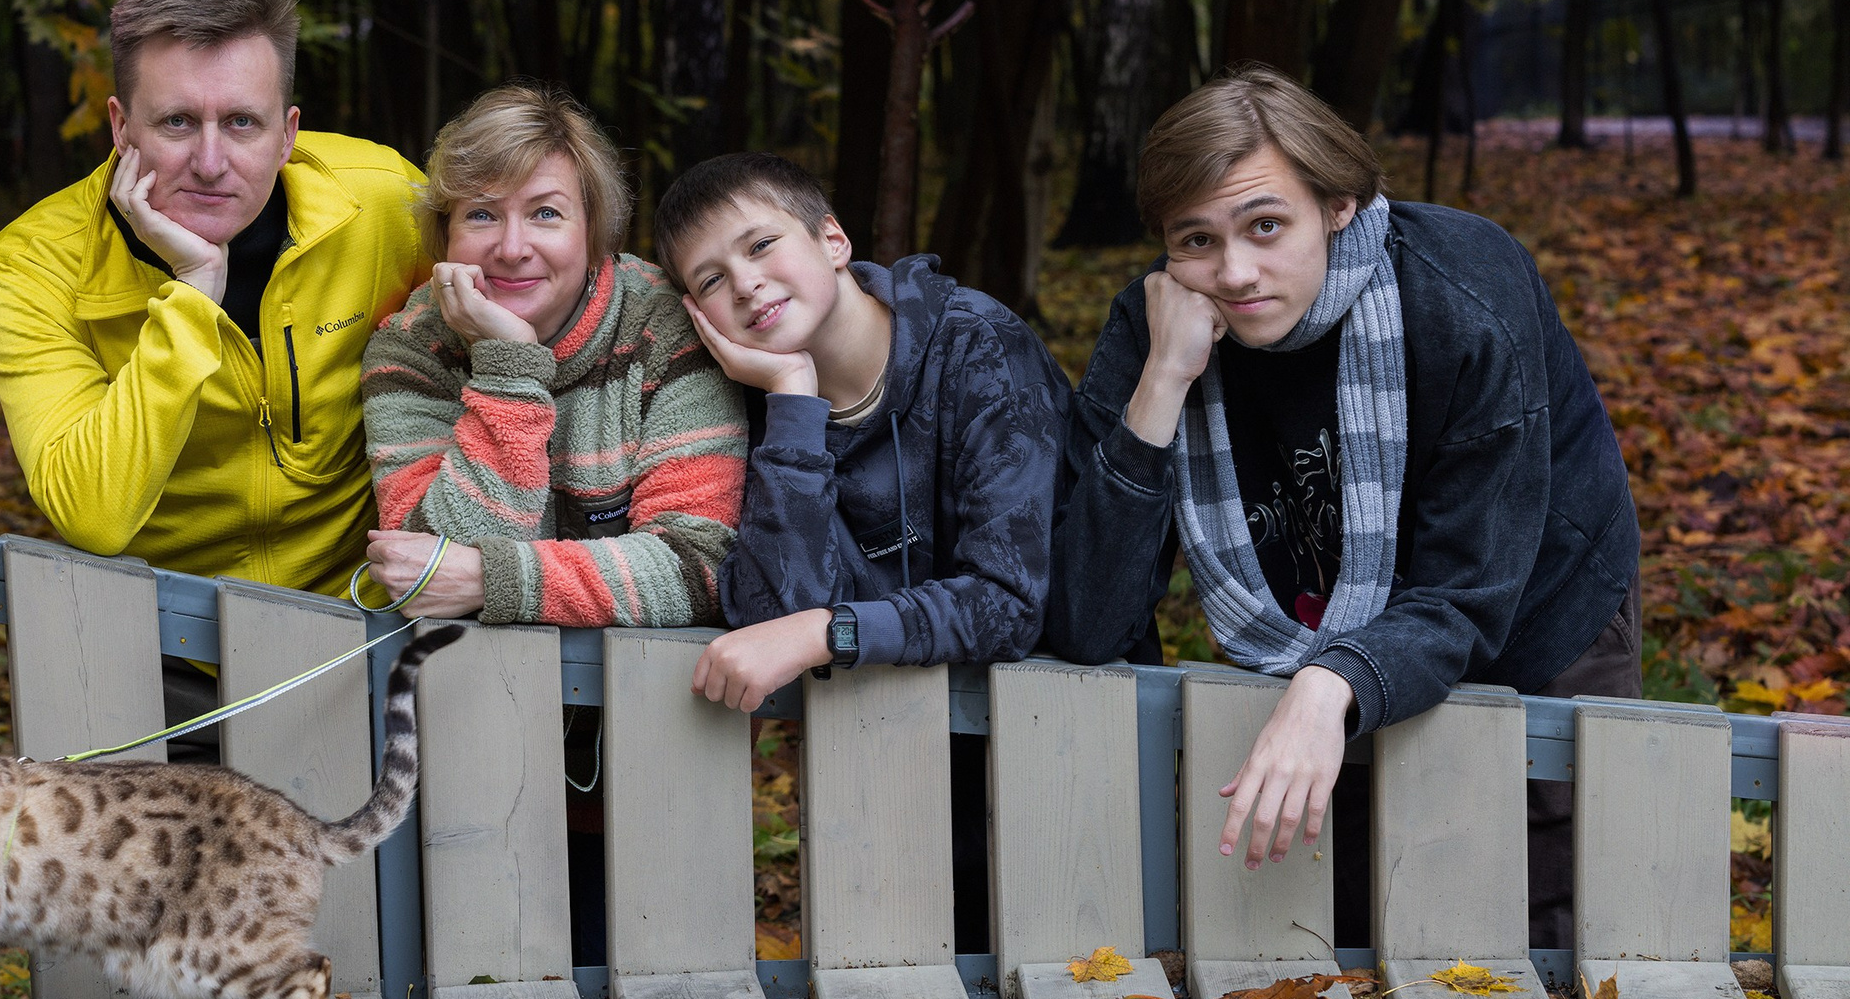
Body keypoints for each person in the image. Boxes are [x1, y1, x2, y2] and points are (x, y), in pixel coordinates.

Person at [1048, 67, 1639, 946]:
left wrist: (1332, 684)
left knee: (1539, 933)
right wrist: (1162, 384)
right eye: (1196, 240)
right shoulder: (1155, 331)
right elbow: (1088, 622)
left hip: (1533, 617)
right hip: (1309, 634)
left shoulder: (1464, 296)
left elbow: (1471, 590)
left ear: (1341, 204)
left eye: (1266, 225)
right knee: (1360, 925)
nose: (1235, 273)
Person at [0, 0, 429, 599]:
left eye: (243, 122)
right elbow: (90, 513)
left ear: (288, 133)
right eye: (178, 123)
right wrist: (192, 293)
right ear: (121, 125)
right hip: (171, 640)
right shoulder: (31, 266)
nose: (211, 163)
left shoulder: (386, 202)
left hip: (371, 622)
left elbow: (542, 298)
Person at [654, 152, 1069, 711]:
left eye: (760, 246)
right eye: (711, 280)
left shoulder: (979, 347)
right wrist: (793, 400)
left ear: (832, 241)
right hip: (864, 741)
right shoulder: (753, 408)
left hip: (1046, 722)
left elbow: (1009, 602)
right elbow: (771, 620)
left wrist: (826, 633)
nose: (746, 285)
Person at [359, 85, 745, 627]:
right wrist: (509, 367)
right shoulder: (412, 347)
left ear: (594, 232)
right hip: (466, 691)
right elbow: (425, 573)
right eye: (482, 216)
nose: (513, 248)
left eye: (545, 213)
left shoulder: (664, 326)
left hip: (649, 696)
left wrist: (489, 580)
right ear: (445, 235)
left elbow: (698, 564)